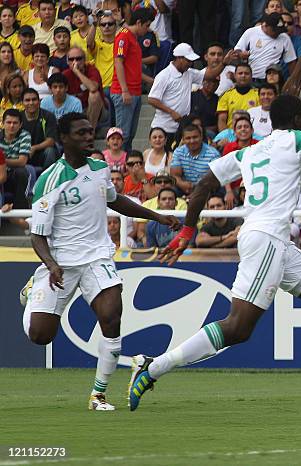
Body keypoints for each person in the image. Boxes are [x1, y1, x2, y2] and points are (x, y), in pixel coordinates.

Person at [128, 94, 301, 414]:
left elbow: (201, 187)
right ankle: (152, 367)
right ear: (297, 120)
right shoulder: (297, 140)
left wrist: (187, 232)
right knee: (238, 327)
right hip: (266, 239)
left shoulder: (250, 151)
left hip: (274, 240)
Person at [23, 112, 179, 411]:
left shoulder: (99, 169)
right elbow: (37, 235)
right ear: (64, 138)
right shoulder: (50, 179)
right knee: (40, 336)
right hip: (61, 262)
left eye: (90, 132)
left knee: (111, 317)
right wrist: (52, 265)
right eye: (80, 133)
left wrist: (156, 215)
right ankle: (34, 289)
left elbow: (115, 199)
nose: (87, 138)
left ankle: (98, 395)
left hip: (97, 256)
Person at [110, 8, 155, 152]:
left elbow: (133, 69)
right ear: (139, 22)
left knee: (130, 135)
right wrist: (124, 90)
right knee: (123, 136)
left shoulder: (131, 37)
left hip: (134, 91)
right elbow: (118, 62)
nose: (148, 29)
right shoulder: (123, 37)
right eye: (147, 25)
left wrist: (151, 80)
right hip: (125, 92)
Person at [148, 43, 206, 145]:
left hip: (181, 128)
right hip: (164, 128)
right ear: (179, 58)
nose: (190, 63)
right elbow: (152, 99)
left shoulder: (190, 73)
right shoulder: (164, 75)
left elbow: (208, 75)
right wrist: (171, 112)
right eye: (188, 60)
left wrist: (223, 64)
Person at [234, 12, 297, 81]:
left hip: (272, 79)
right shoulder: (251, 32)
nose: (277, 33)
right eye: (274, 30)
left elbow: (291, 61)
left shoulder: (284, 37)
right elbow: (237, 50)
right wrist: (241, 54)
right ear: (265, 25)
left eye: (279, 31)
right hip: (253, 77)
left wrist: (293, 79)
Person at [170, 124, 220, 196]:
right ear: (183, 140)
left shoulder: (213, 154)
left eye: (195, 137)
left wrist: (197, 192)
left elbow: (215, 179)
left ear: (201, 137)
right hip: (184, 188)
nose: (192, 141)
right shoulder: (179, 151)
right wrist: (182, 184)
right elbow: (174, 175)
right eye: (188, 138)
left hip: (207, 189)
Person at [63, 46, 106, 130]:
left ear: (84, 60)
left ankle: (90, 131)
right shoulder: (65, 74)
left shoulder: (92, 70)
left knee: (95, 95)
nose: (75, 62)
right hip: (74, 109)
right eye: (71, 59)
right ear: (67, 62)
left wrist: (77, 72)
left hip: (94, 109)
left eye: (78, 58)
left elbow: (93, 88)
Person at [0, 109, 34, 215]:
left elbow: (22, 162)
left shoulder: (25, 135)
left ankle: (20, 211)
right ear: (2, 123)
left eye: (15, 123)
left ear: (20, 124)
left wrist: (2, 161)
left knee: (22, 171)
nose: (11, 126)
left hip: (15, 174)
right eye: (8, 122)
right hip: (1, 173)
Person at [21, 88, 58, 172]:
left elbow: (51, 141)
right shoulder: (19, 117)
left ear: (39, 101)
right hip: (24, 153)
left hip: (42, 153)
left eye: (34, 99)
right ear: (22, 103)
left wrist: (34, 148)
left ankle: (48, 178)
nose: (31, 103)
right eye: (27, 100)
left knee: (50, 151)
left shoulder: (48, 116)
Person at [217, 63, 260, 131]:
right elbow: (222, 120)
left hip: (253, 134)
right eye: (240, 73)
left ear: (251, 76)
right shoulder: (226, 95)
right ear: (235, 76)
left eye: (246, 73)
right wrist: (226, 136)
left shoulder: (259, 94)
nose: (243, 76)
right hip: (231, 135)